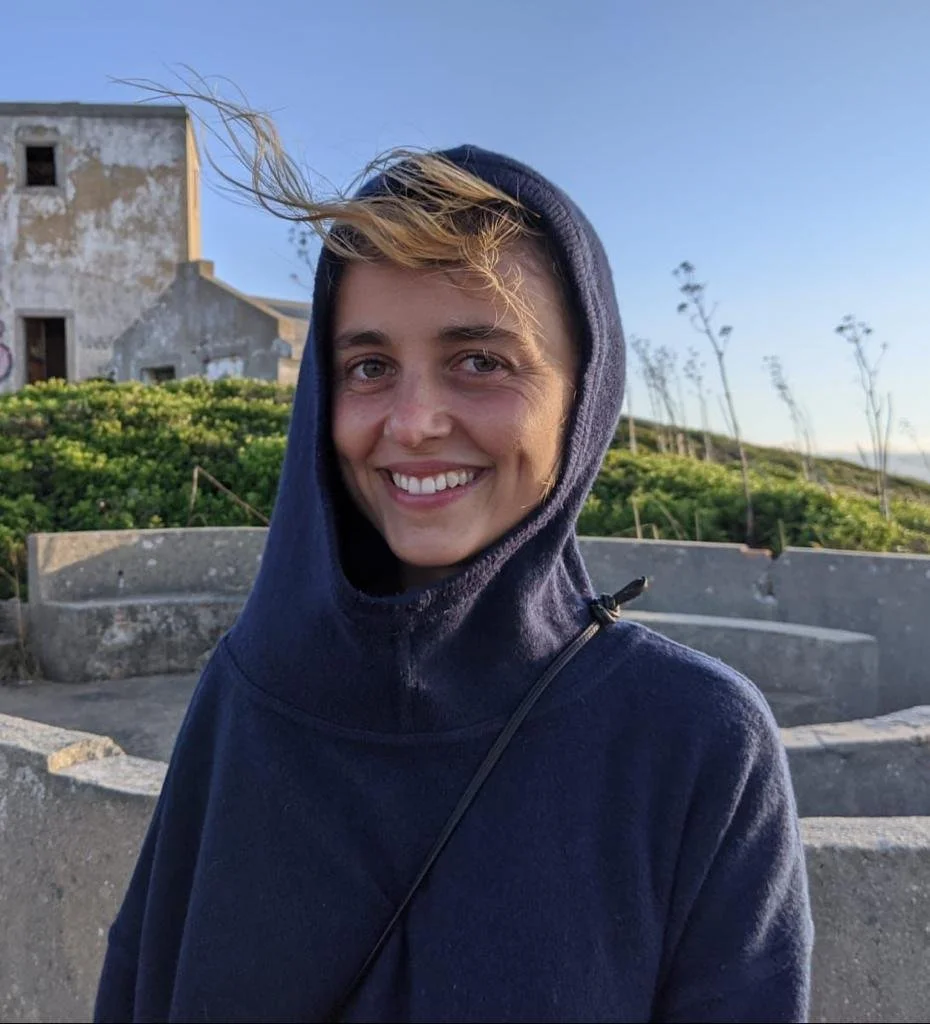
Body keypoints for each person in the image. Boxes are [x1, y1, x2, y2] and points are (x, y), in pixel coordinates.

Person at [95, 122, 814, 1022]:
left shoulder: (695, 743)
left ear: (584, 396)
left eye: (480, 362)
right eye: (368, 366)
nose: (413, 422)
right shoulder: (247, 696)